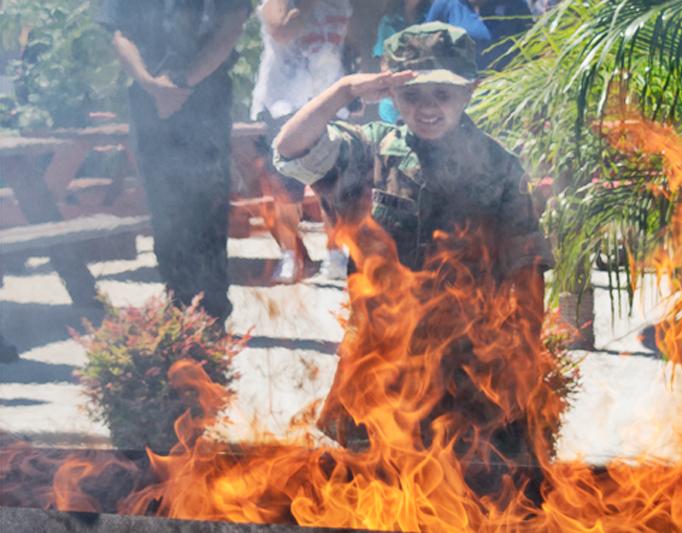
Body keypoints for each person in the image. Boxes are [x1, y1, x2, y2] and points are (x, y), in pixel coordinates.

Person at [274, 22, 552, 469]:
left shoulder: (501, 170)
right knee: (373, 497)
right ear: (392, 94)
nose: (427, 109)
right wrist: (345, 89)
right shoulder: (368, 152)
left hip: (470, 375)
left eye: (442, 94)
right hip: (378, 368)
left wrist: (524, 365)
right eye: (412, 96)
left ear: (469, 93)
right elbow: (288, 148)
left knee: (465, 501)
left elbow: (527, 272)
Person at [96, 0, 251, 324]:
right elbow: (120, 32)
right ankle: (178, 308)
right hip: (147, 101)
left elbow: (231, 24)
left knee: (206, 212)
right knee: (164, 213)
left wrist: (183, 83)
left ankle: (210, 317)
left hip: (205, 99)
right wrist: (151, 85)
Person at [251, 0, 353, 283]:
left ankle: (335, 254)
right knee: (286, 187)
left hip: (329, 98)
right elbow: (280, 30)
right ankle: (291, 255)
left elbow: (348, 43)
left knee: (333, 183)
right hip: (285, 102)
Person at [426, 0, 533, 70]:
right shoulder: (445, 4)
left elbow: (531, 46)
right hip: (461, 92)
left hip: (505, 91)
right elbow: (425, 48)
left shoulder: (514, 4)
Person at [372, 0, 431, 124]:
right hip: (395, 99)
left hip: (426, 94)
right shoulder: (388, 22)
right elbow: (384, 63)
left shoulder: (432, 16)